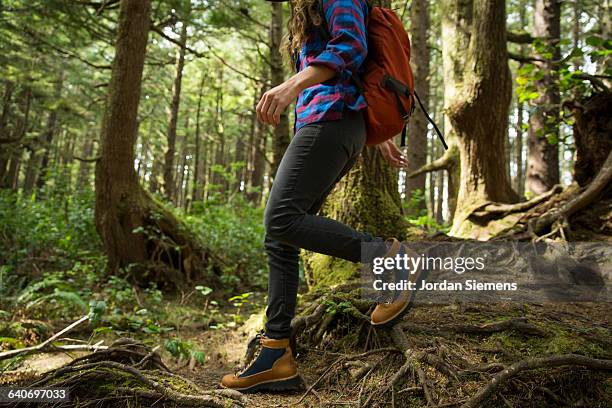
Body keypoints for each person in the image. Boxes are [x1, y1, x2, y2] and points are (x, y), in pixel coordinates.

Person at [220, 0, 413, 392]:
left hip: (331, 121)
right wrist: (378, 138)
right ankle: (276, 352)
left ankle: (389, 258)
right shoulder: (309, 8)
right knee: (282, 235)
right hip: (330, 122)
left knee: (281, 219)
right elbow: (352, 69)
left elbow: (352, 47)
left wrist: (290, 85)